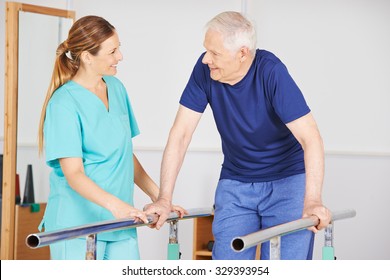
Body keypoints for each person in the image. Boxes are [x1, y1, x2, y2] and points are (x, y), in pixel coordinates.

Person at [145, 11, 331, 260]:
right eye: (206, 50)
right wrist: (164, 198)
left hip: (288, 183)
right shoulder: (205, 72)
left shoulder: (271, 72)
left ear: (242, 53)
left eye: (215, 53)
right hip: (236, 183)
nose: (206, 59)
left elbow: (311, 139)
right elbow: (180, 135)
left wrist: (312, 200)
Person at [37, 15, 185, 260]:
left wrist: (160, 198)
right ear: (86, 56)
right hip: (77, 225)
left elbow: (124, 154)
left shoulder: (116, 88)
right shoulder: (63, 103)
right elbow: (74, 174)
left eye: (119, 49)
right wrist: (117, 206)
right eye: (112, 51)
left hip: (120, 223)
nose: (120, 57)